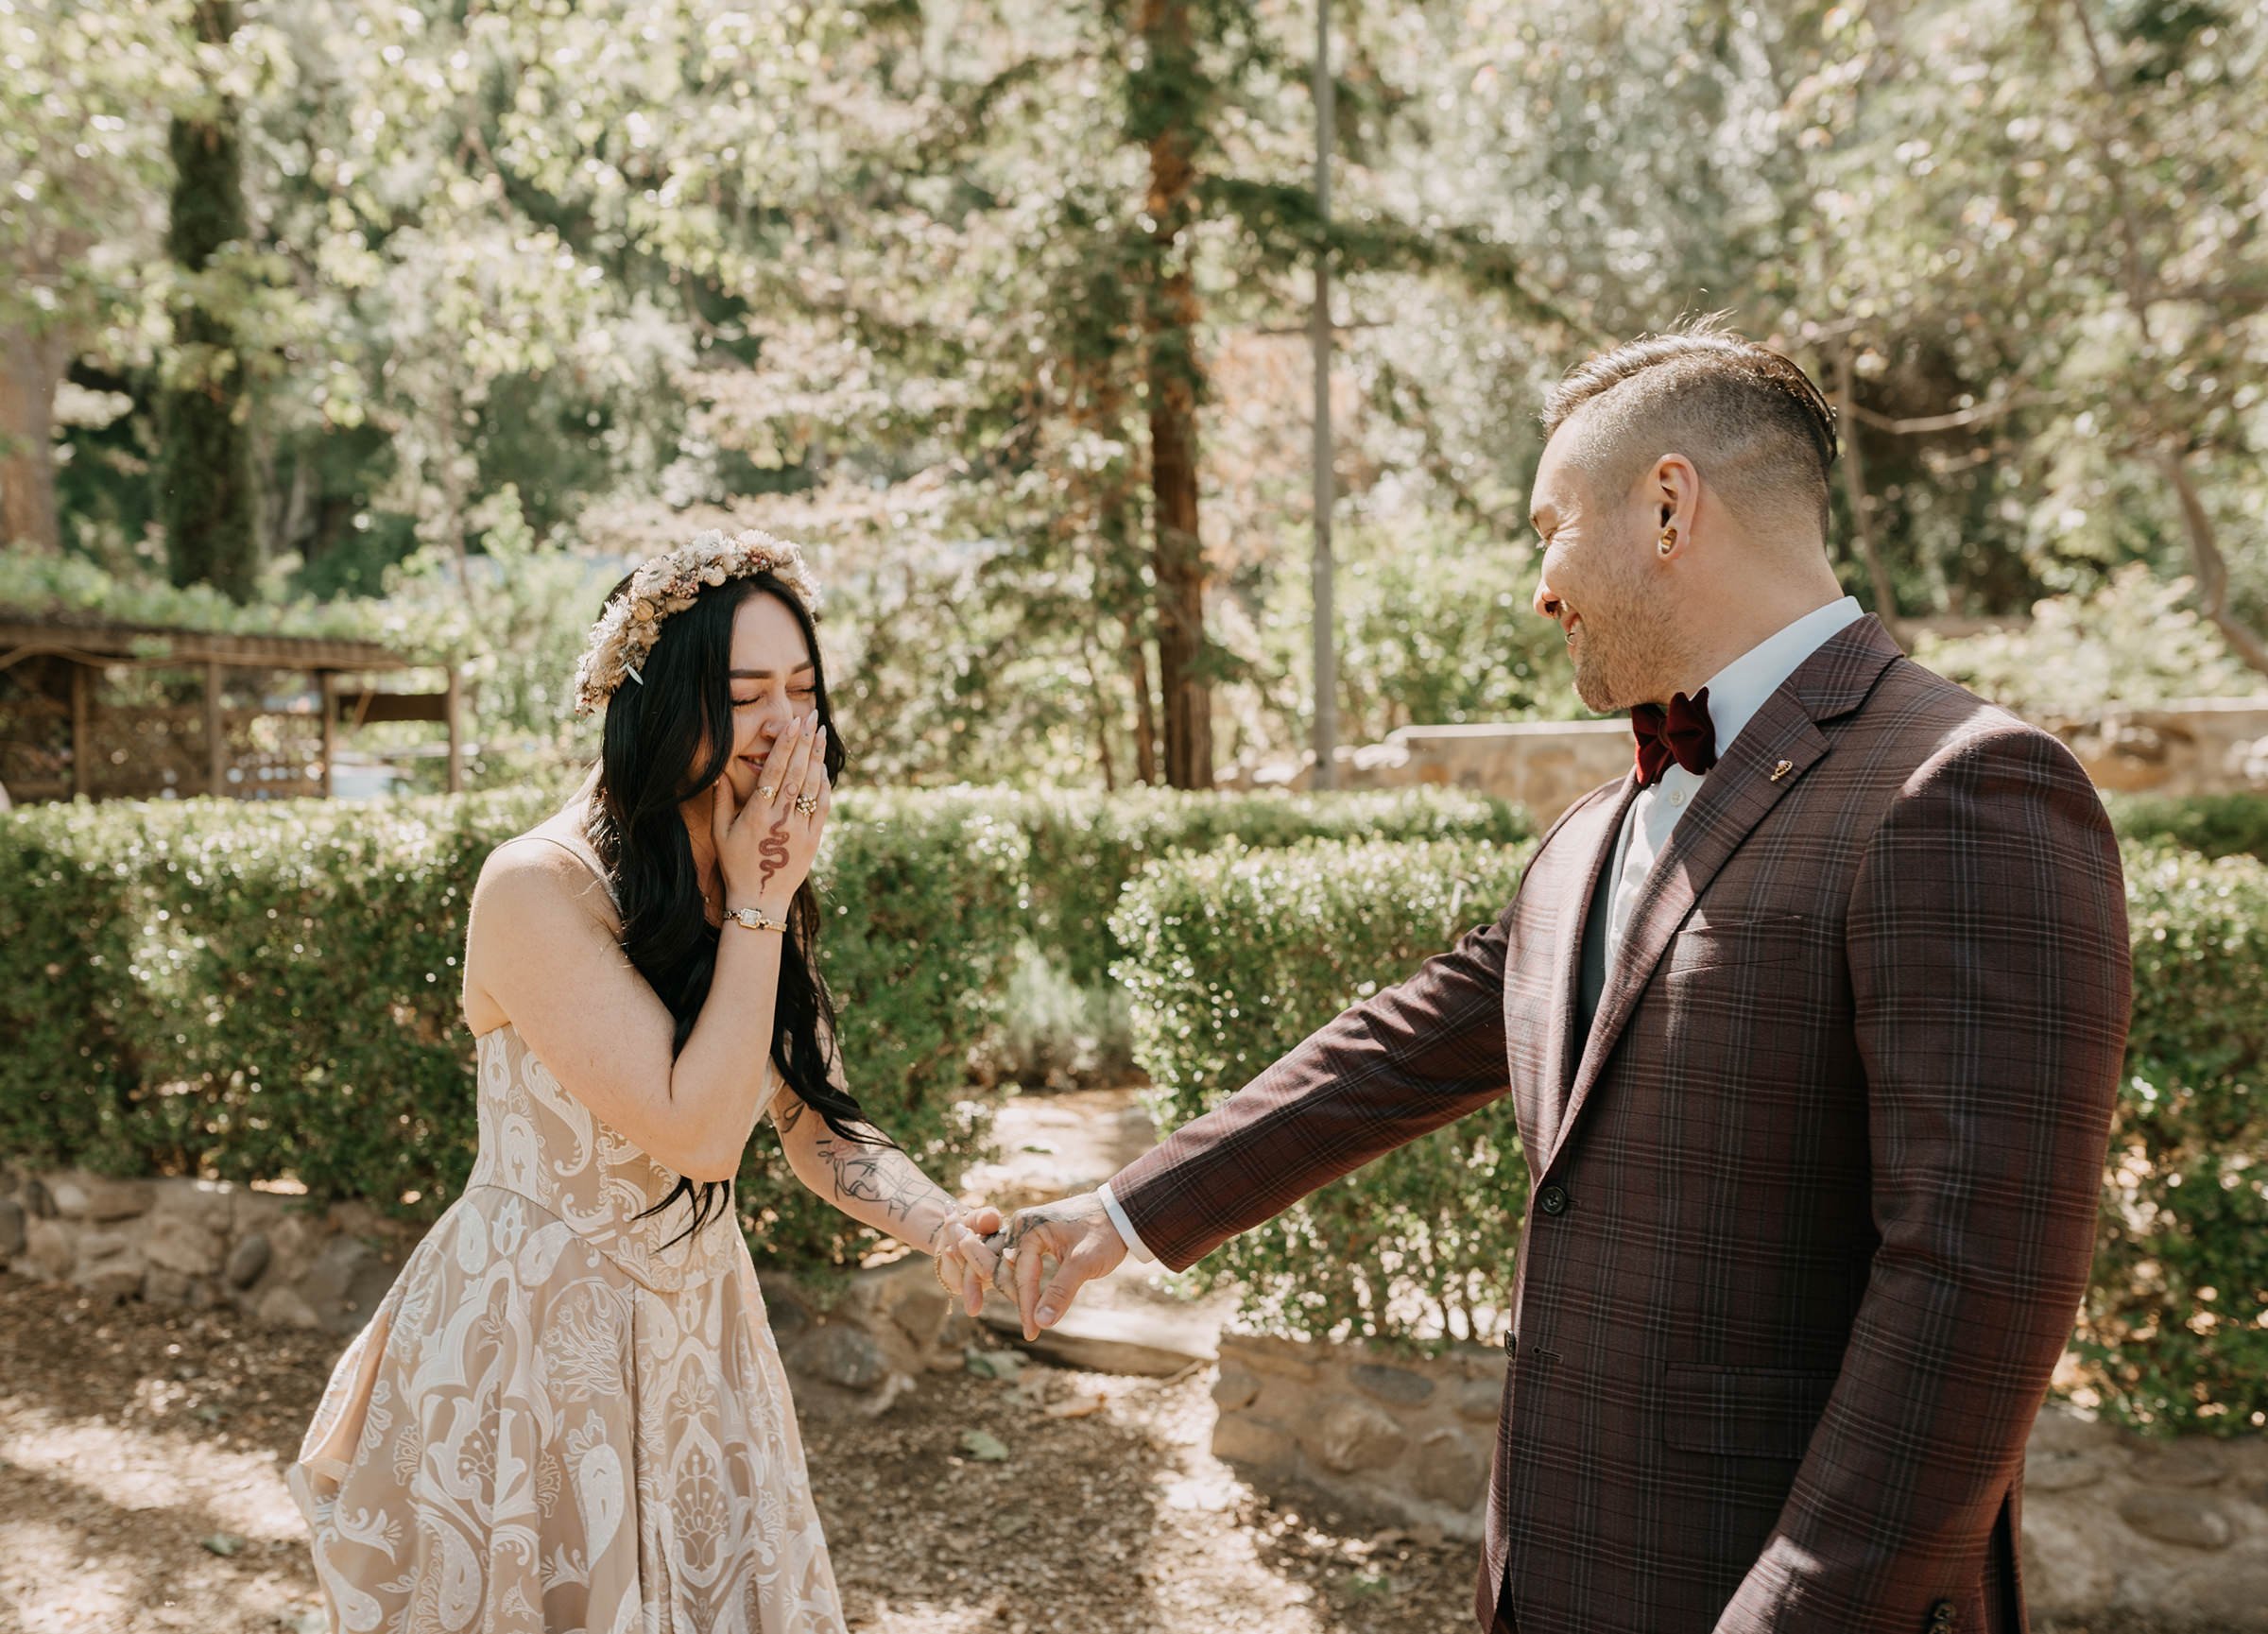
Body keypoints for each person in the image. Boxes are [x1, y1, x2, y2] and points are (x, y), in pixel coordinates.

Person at [995, 319, 2133, 1633]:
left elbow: (1973, 1296)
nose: (1541, 586)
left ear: (1667, 505)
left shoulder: (1966, 785)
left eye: (1549, 525)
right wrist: (1122, 1215)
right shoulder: (1594, 828)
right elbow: (1396, 1052)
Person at [290, 528, 1003, 1634]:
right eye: (748, 691)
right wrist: (765, 894)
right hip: (531, 1348)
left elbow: (810, 1117)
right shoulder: (535, 887)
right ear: (664, 699)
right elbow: (701, 1136)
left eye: (804, 689)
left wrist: (945, 1224)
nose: (785, 723)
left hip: (697, 1335)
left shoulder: (750, 862)